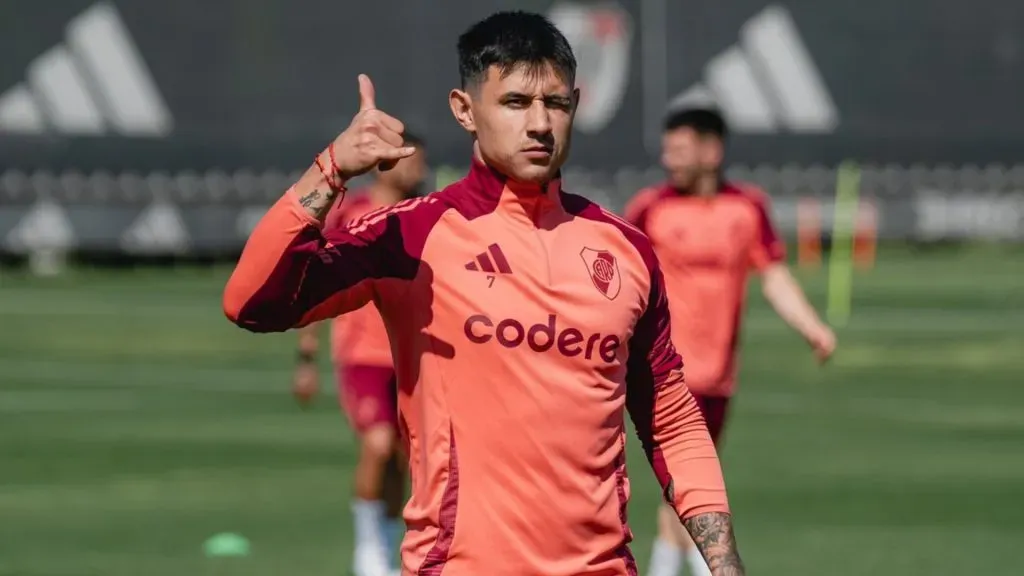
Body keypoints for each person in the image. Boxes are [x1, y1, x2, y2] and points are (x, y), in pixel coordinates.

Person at [223, 11, 745, 576]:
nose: (541, 123)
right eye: (516, 103)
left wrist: (724, 562)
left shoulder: (626, 250)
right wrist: (330, 172)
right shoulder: (411, 235)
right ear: (465, 110)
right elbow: (253, 303)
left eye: (557, 103)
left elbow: (671, 419)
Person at [626, 106, 836, 576]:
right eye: (666, 149)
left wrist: (812, 327)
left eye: (679, 149)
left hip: (718, 376)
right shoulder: (649, 208)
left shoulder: (747, 208)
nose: (669, 159)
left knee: (688, 491)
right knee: (688, 487)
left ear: (712, 150)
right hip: (666, 373)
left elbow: (774, 276)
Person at [292, 134, 427, 576]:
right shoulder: (352, 213)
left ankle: (387, 545)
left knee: (405, 459)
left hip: (412, 355)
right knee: (378, 443)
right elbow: (318, 282)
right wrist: (307, 357)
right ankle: (368, 546)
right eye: (410, 161)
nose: (417, 170)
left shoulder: (427, 215)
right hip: (362, 354)